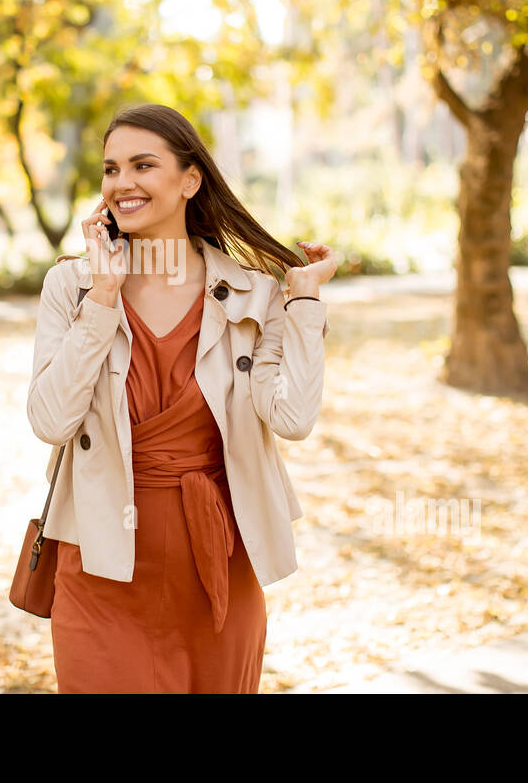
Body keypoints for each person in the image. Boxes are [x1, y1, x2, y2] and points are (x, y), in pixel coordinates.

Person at [26, 103, 337, 693]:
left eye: (143, 165)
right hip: (99, 561)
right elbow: (49, 420)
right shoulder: (71, 285)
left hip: (215, 556)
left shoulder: (254, 293)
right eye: (111, 169)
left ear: (190, 180)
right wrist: (103, 296)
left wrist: (302, 302)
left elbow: (292, 418)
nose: (123, 183)